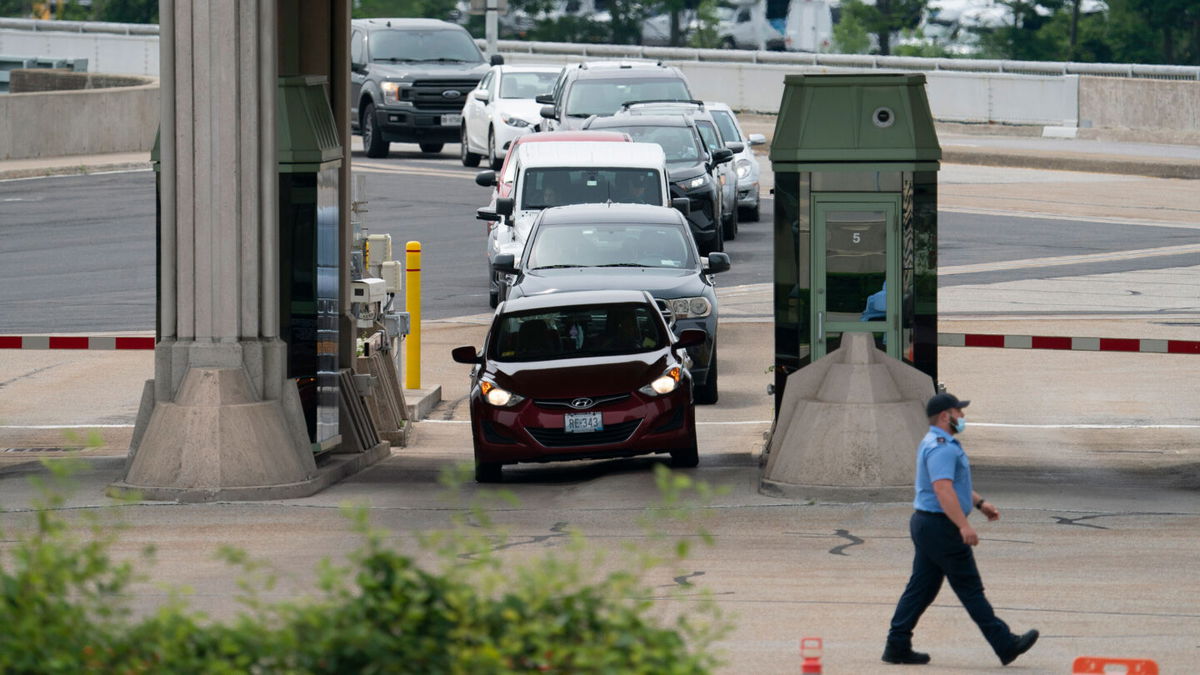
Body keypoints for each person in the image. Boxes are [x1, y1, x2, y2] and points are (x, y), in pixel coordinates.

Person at [883, 393, 1039, 666]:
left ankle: (897, 645)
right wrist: (963, 525)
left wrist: (979, 503)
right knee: (969, 588)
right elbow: (943, 490)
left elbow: (955, 485)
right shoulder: (942, 447)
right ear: (946, 416)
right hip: (941, 527)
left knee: (921, 588)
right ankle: (1005, 644)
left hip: (928, 524)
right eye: (959, 412)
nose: (963, 417)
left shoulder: (936, 442)